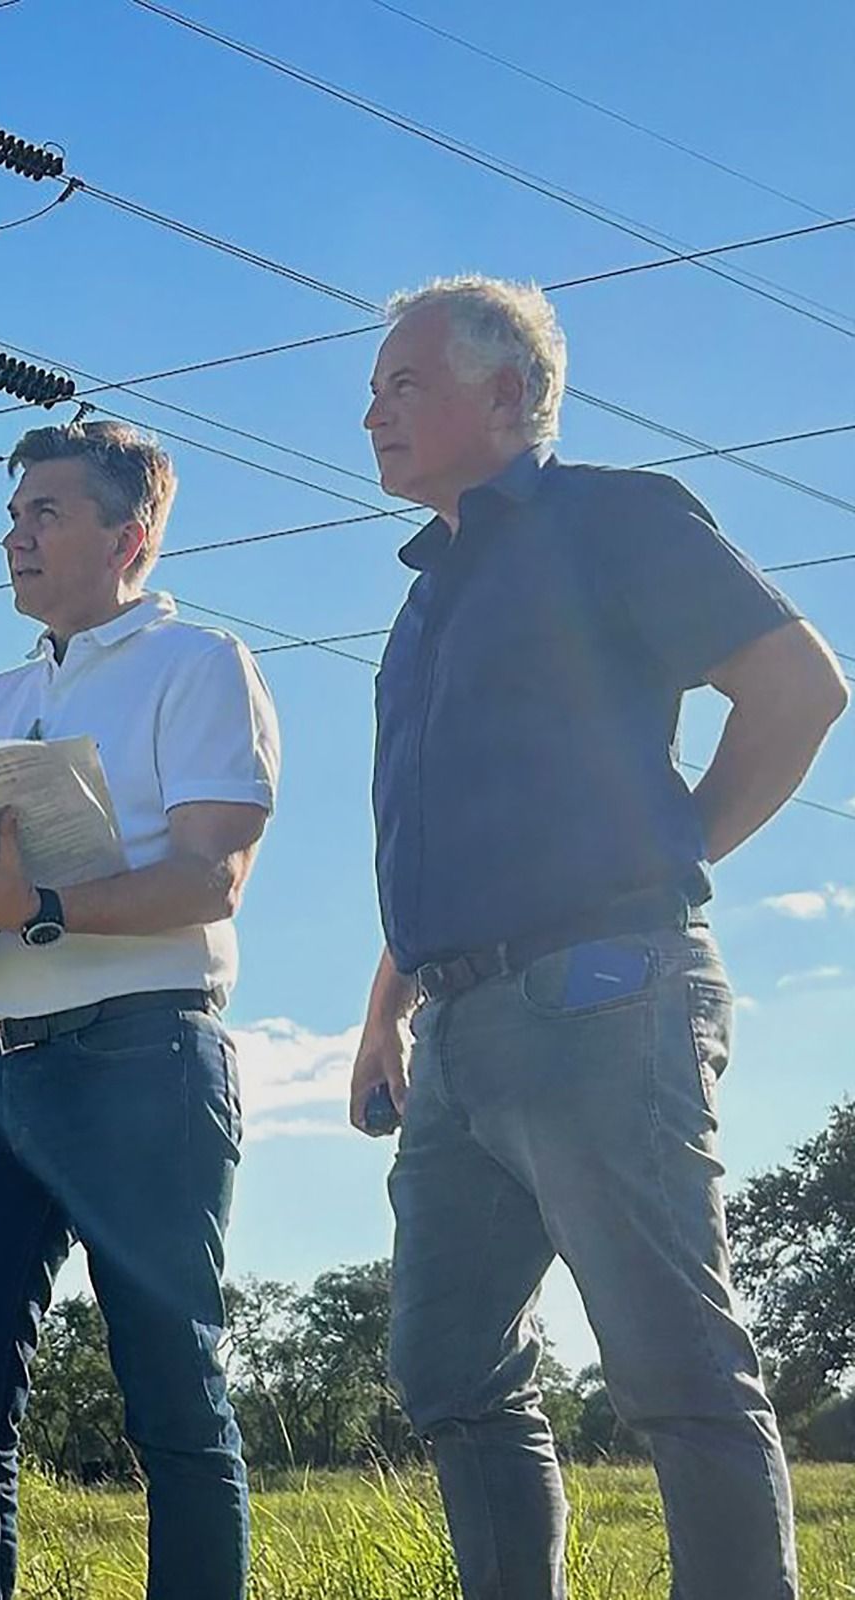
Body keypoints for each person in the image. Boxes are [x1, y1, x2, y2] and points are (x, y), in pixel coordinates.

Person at [349, 278, 848, 1599]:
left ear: (509, 395)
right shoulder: (422, 604)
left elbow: (800, 689)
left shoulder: (615, 518)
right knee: (449, 1367)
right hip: (454, 1033)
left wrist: (657, 858)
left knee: (672, 1366)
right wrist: (382, 1012)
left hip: (601, 994)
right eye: (375, 389)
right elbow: (440, 834)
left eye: (405, 385)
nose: (371, 413)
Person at [0, 419, 280, 1599]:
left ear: (130, 534)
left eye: (44, 513)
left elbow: (213, 877)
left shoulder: (201, 661)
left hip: (144, 1055)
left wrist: (36, 900)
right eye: (13, 516)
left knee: (169, 1397)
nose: (13, 535)